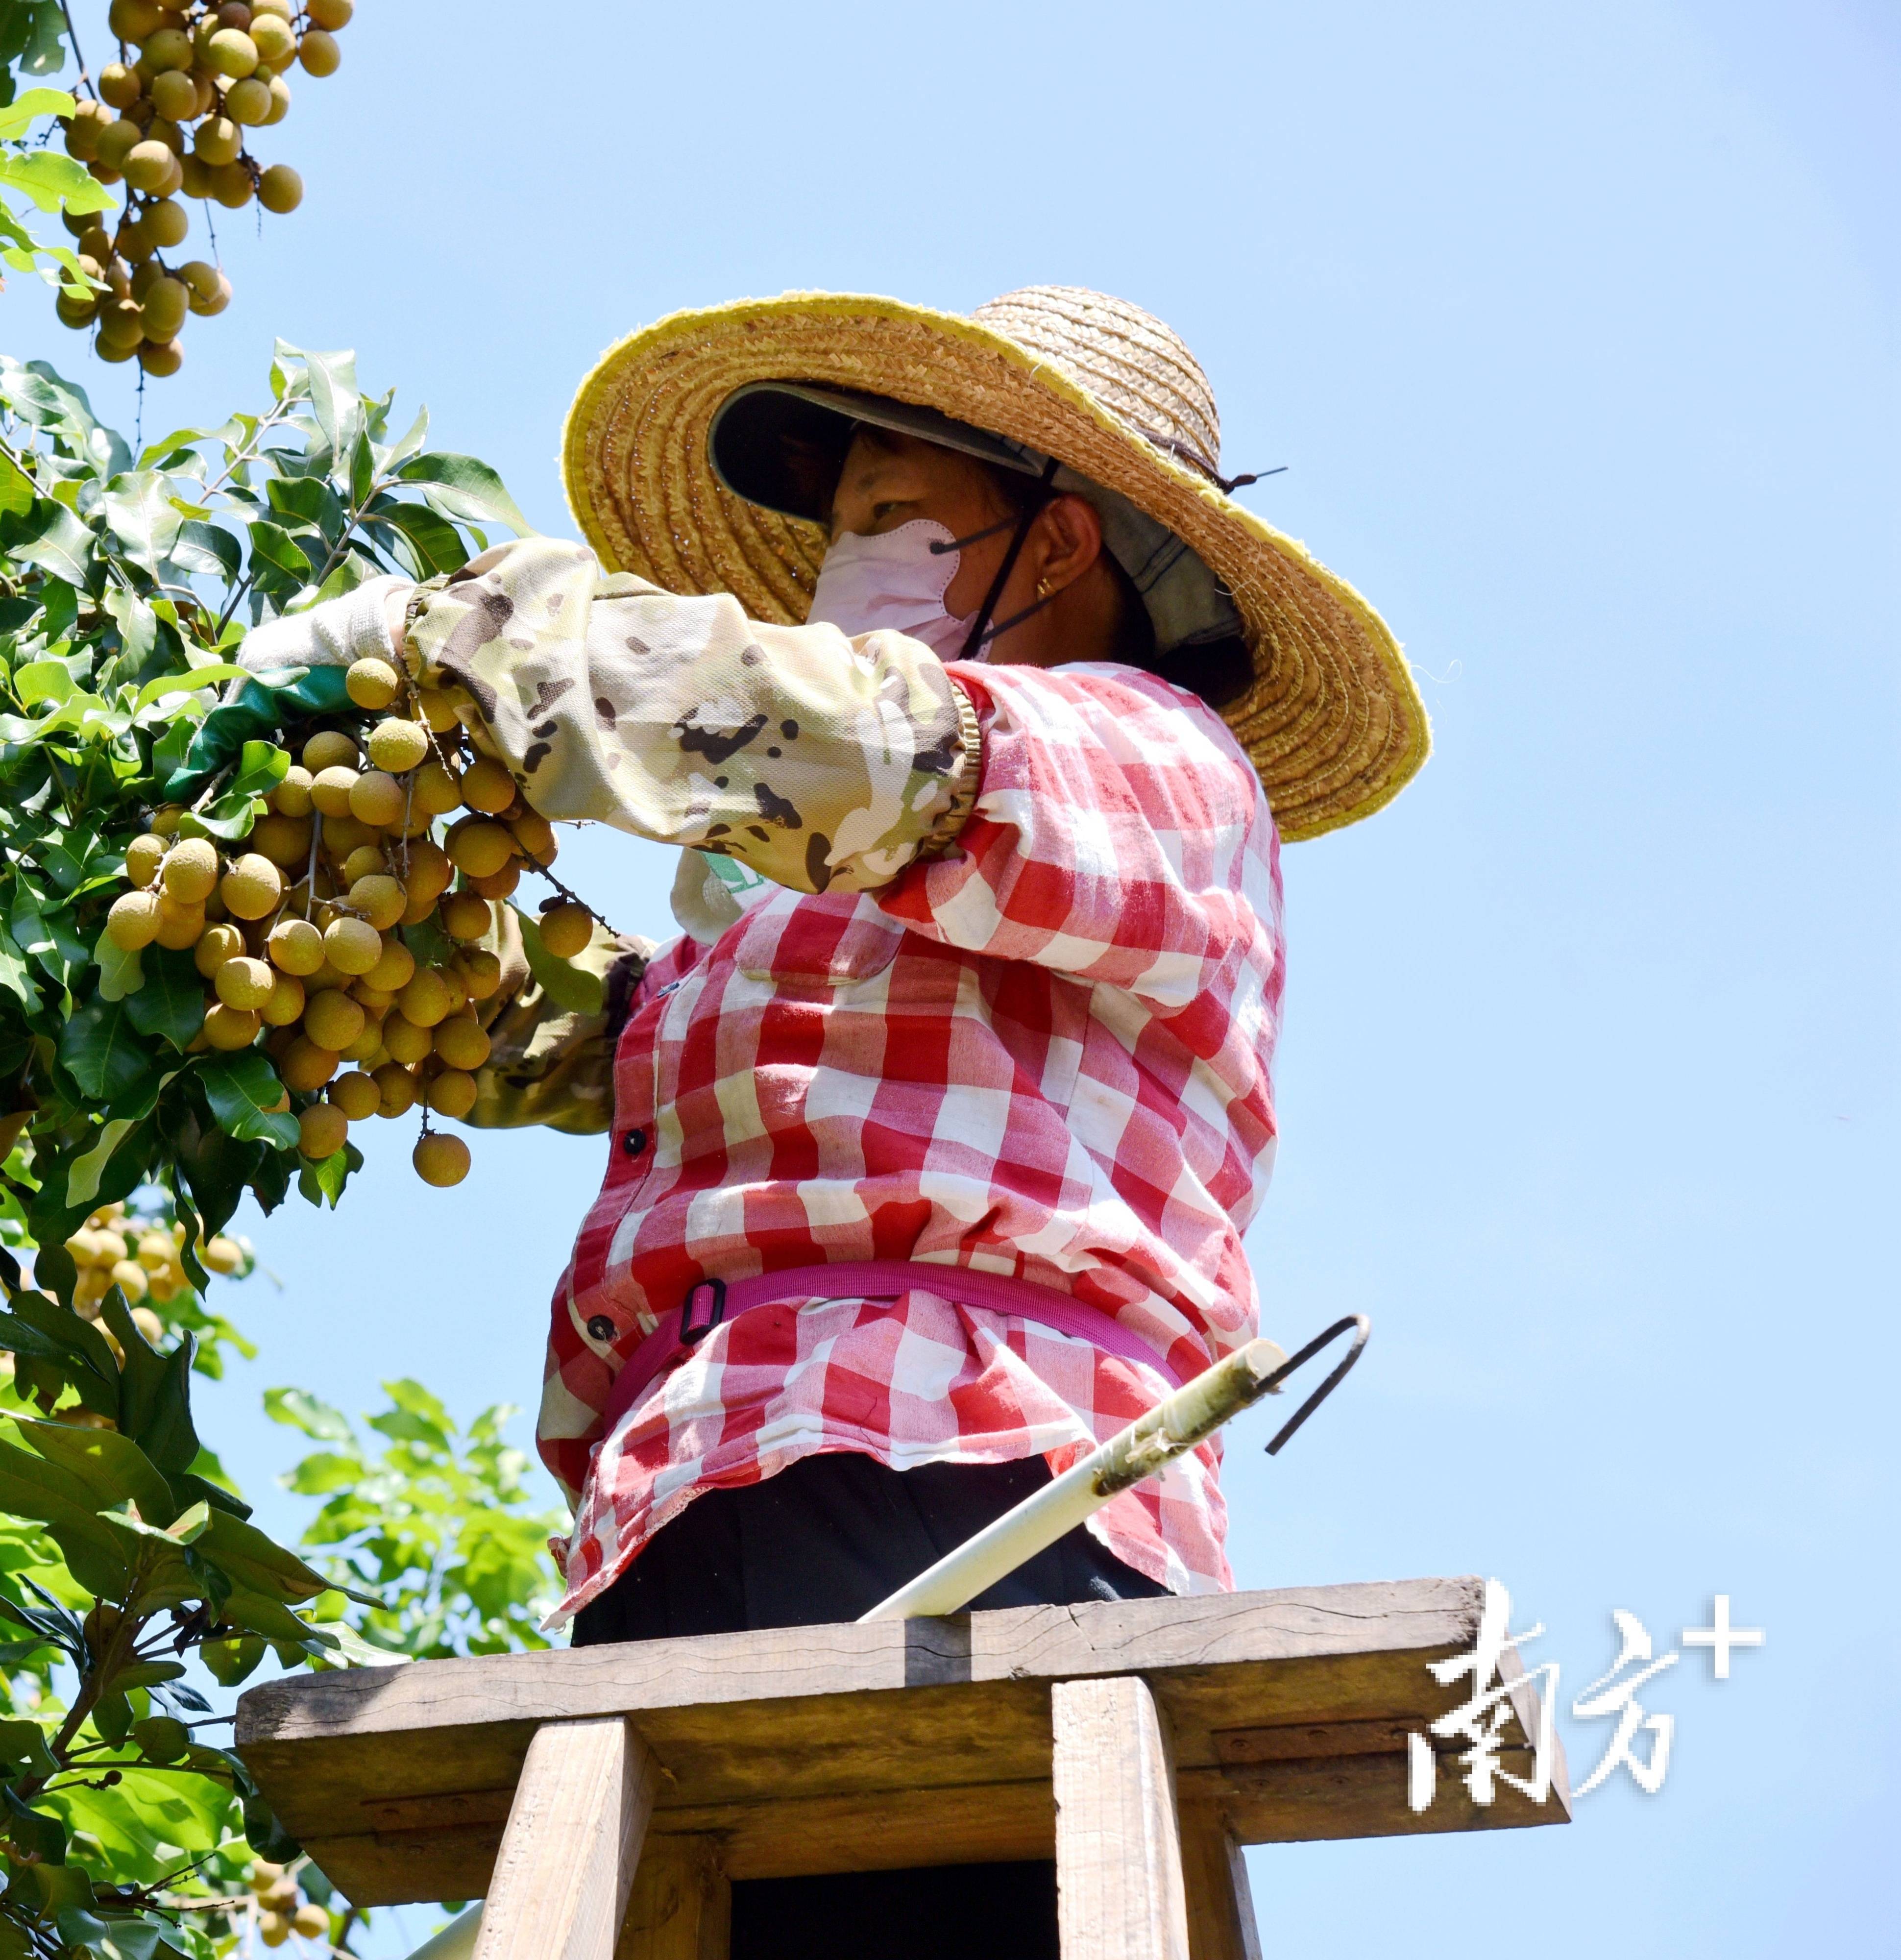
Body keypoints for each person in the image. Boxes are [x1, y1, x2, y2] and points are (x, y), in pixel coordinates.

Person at [240, 286, 1426, 1955]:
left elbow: (841, 741)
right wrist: (332, 917)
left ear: (1060, 540)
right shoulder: (830, 912)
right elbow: (611, 1033)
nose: (837, 571)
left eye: (885, 517)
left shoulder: (1144, 754)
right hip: (692, 1494)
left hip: (971, 1469)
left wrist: (475, 635)